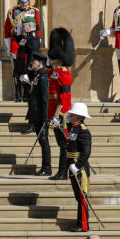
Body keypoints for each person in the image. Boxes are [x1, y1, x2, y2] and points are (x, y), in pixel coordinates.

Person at [4, 0, 42, 102]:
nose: (24, 4)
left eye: (26, 2)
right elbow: (7, 30)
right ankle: (18, 94)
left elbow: (38, 28)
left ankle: (27, 93)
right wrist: (10, 47)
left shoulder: (34, 12)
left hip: (31, 44)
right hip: (16, 44)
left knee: (29, 69)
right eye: (22, 2)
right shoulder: (12, 12)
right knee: (17, 70)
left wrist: (37, 43)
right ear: (18, 2)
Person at [46, 28, 74, 181]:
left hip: (61, 115)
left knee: (64, 144)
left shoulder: (63, 72)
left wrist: (58, 115)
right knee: (61, 144)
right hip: (53, 112)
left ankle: (63, 172)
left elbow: (65, 97)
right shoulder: (56, 71)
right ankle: (62, 171)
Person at [63, 103, 93, 232]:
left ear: (79, 116)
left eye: (73, 114)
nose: (71, 115)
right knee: (78, 197)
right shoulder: (73, 128)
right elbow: (65, 143)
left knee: (82, 197)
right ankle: (79, 222)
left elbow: (86, 152)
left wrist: (78, 166)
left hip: (79, 168)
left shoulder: (83, 130)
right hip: (71, 165)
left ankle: (83, 225)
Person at [22, 53, 50, 175]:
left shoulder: (43, 77)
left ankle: (46, 168)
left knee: (44, 142)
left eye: (34, 61)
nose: (32, 63)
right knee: (42, 141)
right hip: (36, 114)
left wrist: (45, 117)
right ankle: (45, 167)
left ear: (40, 63)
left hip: (41, 115)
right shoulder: (38, 76)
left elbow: (44, 99)